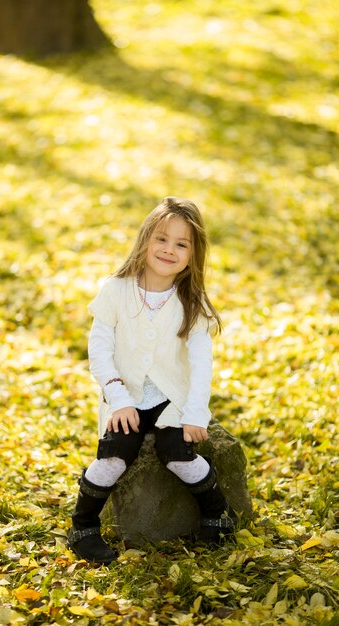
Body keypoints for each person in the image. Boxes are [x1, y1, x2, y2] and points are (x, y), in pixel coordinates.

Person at [67, 196, 234, 564]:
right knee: (114, 457)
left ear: (193, 254)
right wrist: (117, 397)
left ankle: (218, 514)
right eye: (162, 239)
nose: (169, 249)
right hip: (125, 394)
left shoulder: (193, 302)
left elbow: (202, 364)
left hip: (171, 397)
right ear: (145, 240)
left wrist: (195, 412)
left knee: (177, 454)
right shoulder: (116, 290)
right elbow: (99, 349)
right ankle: (82, 526)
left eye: (181, 244)